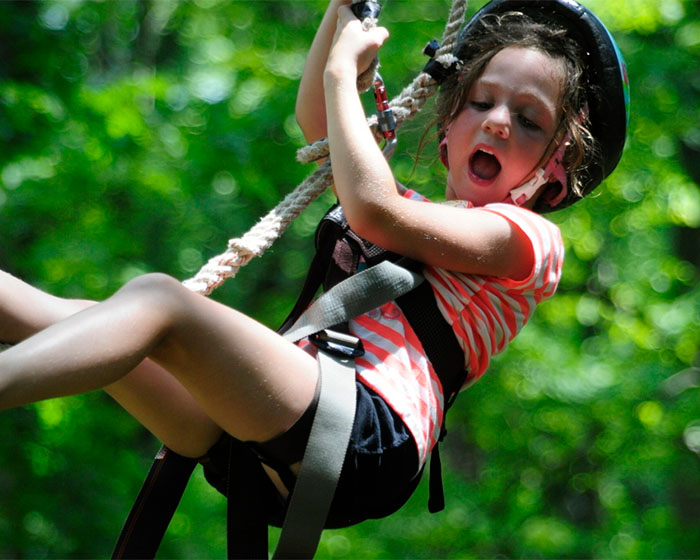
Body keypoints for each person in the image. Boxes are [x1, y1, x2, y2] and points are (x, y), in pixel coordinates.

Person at [0, 0, 628, 542]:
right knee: (71, 317)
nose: (496, 121)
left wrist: (339, 72)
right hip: (280, 425)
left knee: (159, 303)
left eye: (527, 120)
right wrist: (341, 14)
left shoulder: (527, 241)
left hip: (365, 433)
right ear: (447, 130)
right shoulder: (406, 206)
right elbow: (321, 129)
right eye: (483, 102)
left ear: (558, 161)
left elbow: (374, 212)